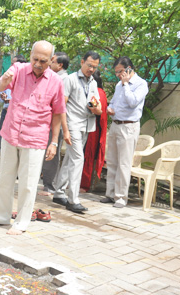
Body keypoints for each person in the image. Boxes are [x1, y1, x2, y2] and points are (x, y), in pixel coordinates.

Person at [0, 41, 70, 235]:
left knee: (28, 184)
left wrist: (54, 142)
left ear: (52, 60)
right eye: (35, 59)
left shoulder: (56, 81)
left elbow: (58, 113)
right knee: (5, 178)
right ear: (30, 55)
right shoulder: (18, 69)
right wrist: (4, 81)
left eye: (43, 61)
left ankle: (21, 223)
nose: (38, 64)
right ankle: (1, 217)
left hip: (35, 137)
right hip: (11, 132)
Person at [52, 51, 102, 213]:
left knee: (70, 158)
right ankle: (73, 199)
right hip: (72, 124)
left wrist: (96, 109)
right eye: (89, 65)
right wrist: (65, 130)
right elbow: (61, 106)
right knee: (78, 159)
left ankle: (59, 192)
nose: (91, 69)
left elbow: (99, 108)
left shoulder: (93, 83)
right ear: (82, 62)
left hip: (87, 125)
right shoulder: (70, 80)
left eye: (94, 67)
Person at [101, 56, 148, 208]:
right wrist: (110, 108)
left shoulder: (141, 84)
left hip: (129, 126)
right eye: (116, 73)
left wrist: (126, 84)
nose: (118, 75)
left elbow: (133, 102)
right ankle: (110, 193)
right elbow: (114, 101)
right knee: (112, 161)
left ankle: (121, 197)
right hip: (115, 124)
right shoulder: (118, 85)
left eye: (120, 72)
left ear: (129, 69)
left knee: (124, 163)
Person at [0, 54, 26, 179]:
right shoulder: (8, 77)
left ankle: (15, 172)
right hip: (6, 112)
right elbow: (0, 89)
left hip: (18, 116)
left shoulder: (25, 79)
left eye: (13, 64)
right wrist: (3, 97)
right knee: (3, 141)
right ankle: (4, 170)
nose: (11, 66)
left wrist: (10, 101)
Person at [39, 51, 71, 196]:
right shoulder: (57, 78)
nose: (49, 65)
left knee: (52, 153)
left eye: (52, 62)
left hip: (55, 122)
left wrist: (65, 130)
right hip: (47, 120)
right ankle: (47, 183)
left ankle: (49, 186)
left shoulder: (62, 80)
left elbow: (60, 107)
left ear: (60, 65)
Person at [80, 70, 107, 192]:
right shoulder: (98, 92)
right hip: (88, 126)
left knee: (88, 156)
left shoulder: (99, 93)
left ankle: (84, 185)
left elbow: (92, 107)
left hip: (93, 129)